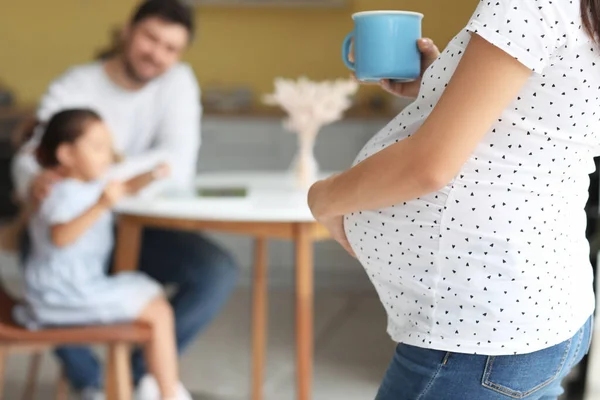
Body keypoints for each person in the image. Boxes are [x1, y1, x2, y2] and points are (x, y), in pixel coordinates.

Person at [308, 0, 597, 399]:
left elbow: (427, 166)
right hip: (543, 312)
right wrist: (443, 81)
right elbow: (544, 115)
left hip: (478, 333)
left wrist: (323, 197)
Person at [11, 1, 239, 399]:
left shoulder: (178, 83)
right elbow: (34, 154)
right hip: (70, 225)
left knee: (216, 271)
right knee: (43, 269)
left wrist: (95, 180)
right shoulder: (77, 84)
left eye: (171, 48)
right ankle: (94, 383)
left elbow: (177, 164)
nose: (157, 54)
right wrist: (40, 182)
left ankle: (134, 377)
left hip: (137, 226)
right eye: (151, 38)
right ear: (128, 31)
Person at [14, 108, 192, 400]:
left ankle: (158, 386)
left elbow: (125, 187)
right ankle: (165, 390)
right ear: (67, 155)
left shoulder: (89, 185)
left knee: (155, 304)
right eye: (97, 148)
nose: (107, 155)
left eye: (109, 147)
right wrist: (99, 206)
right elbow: (60, 236)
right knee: (158, 311)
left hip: (75, 289)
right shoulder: (58, 192)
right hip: (62, 295)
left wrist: (153, 174)